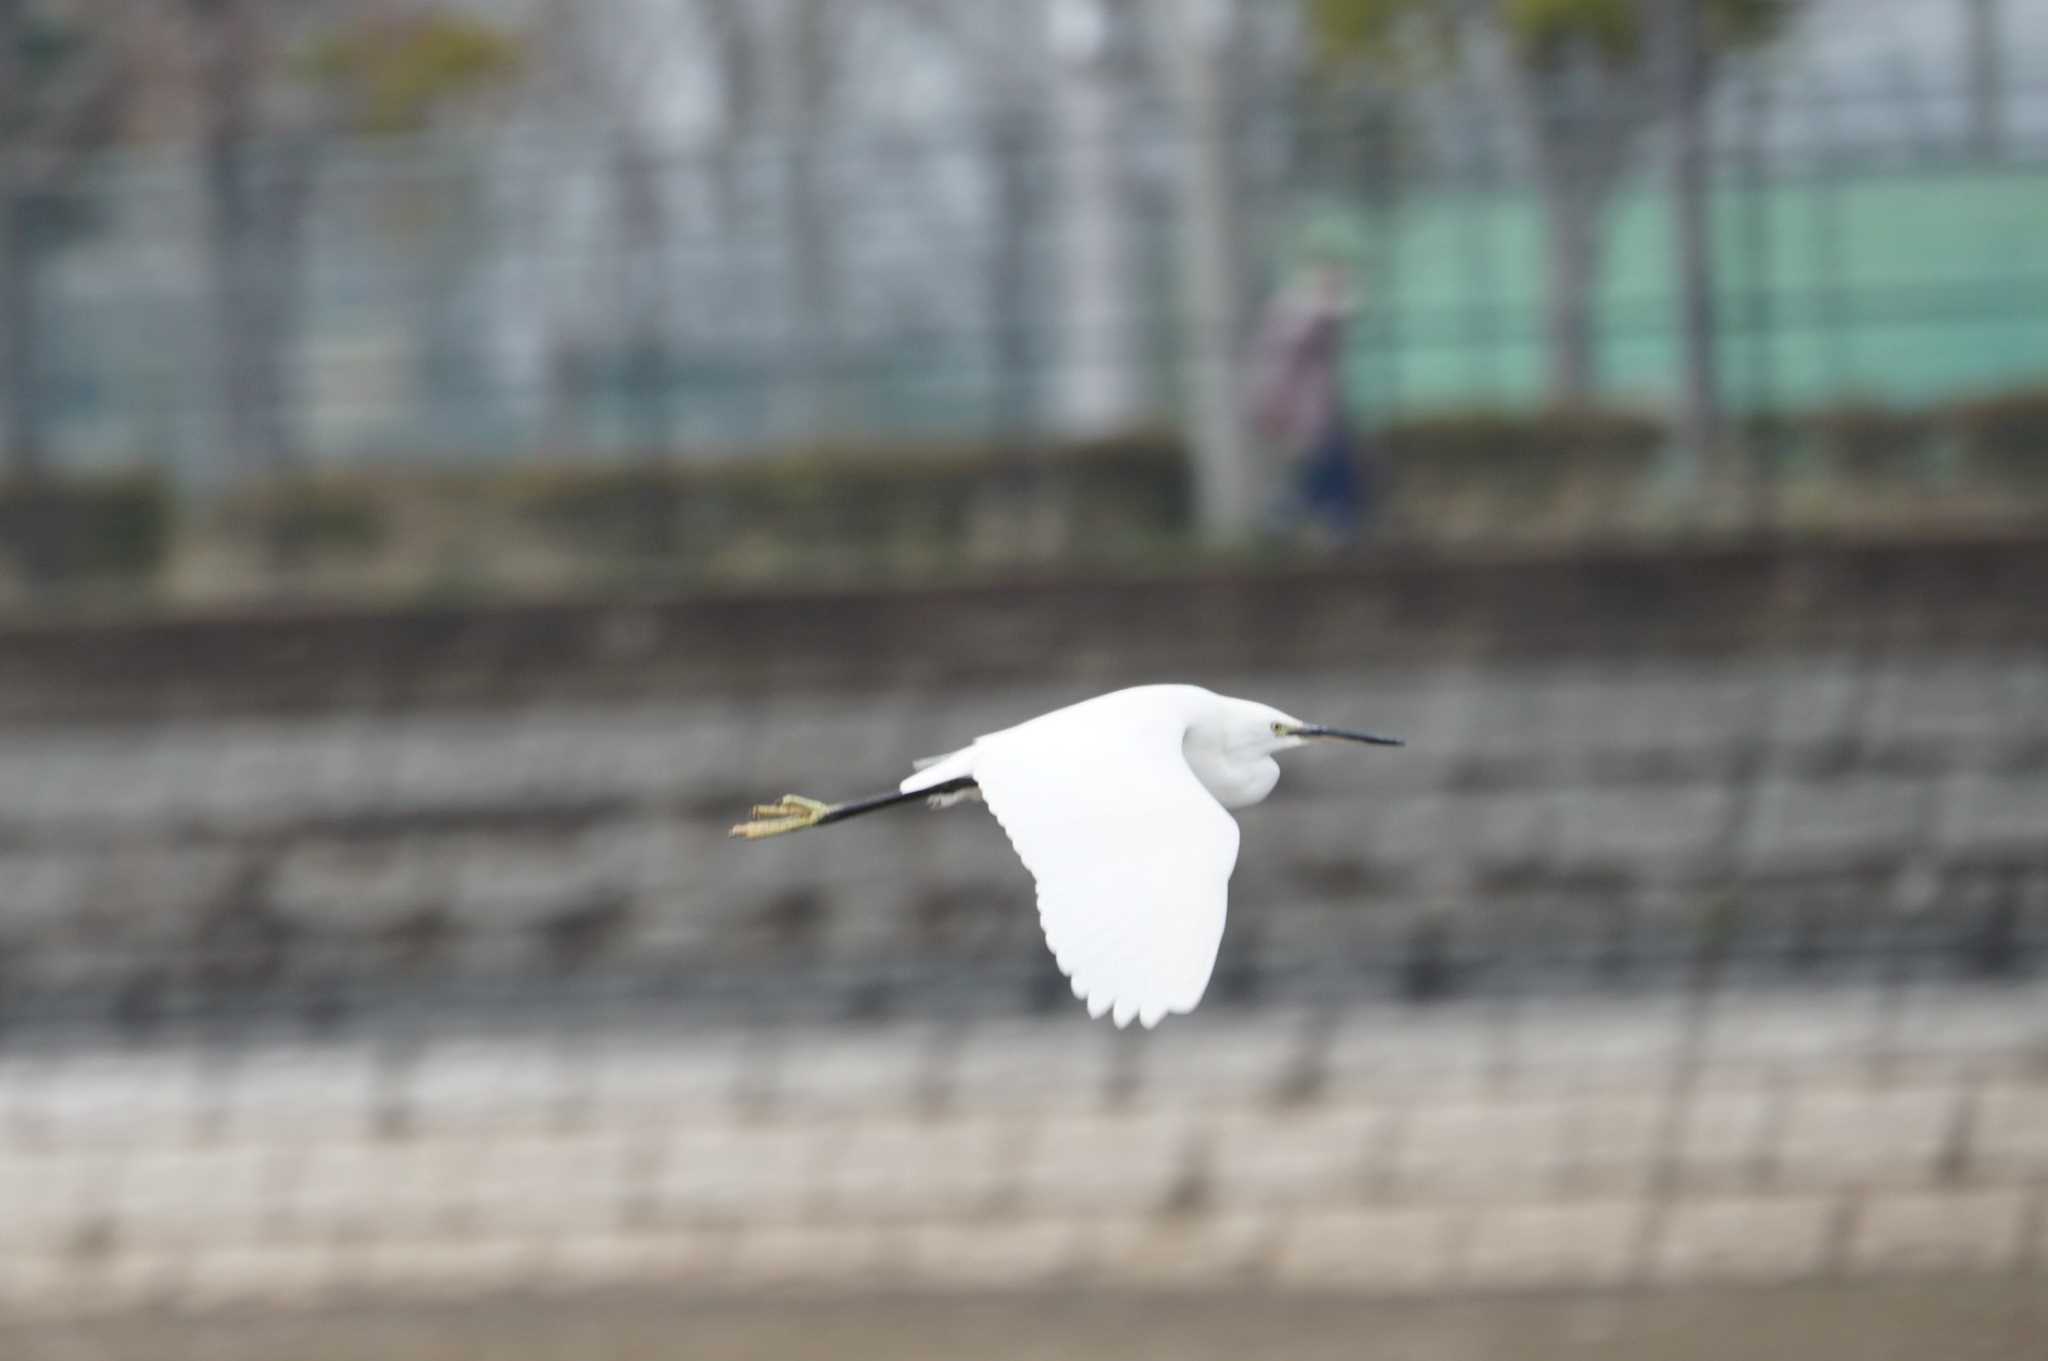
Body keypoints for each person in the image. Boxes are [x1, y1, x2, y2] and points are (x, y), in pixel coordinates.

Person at [1247, 256, 1370, 546]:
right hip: (1307, 416)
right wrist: (1273, 410)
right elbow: (1333, 312)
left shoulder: (1305, 326)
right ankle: (1290, 516)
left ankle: (1323, 521)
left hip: (1319, 415)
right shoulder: (1300, 319)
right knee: (1325, 470)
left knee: (1333, 469)